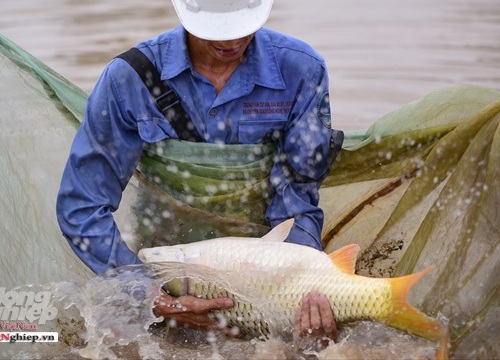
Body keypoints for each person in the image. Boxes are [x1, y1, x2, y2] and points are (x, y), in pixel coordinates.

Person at [56, 0, 338, 345]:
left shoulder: (301, 70)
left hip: (268, 274)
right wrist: (149, 296)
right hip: (167, 272)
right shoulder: (131, 77)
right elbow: (81, 206)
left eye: (242, 27)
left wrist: (301, 291)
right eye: (216, 31)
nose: (232, 42)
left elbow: (299, 198)